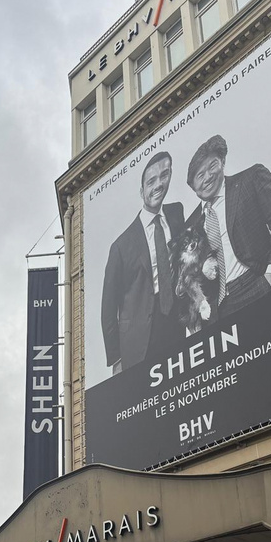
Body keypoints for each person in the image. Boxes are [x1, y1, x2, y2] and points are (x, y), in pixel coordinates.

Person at [183, 134, 271, 318]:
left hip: (259, 282)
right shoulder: (191, 225)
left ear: (223, 161)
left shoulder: (251, 179)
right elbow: (188, 269)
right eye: (200, 175)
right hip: (221, 307)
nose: (208, 177)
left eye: (213, 166)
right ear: (193, 186)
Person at [101, 151, 186, 374]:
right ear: (142, 191)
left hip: (177, 319)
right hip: (141, 336)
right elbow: (108, 309)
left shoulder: (177, 213)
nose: (159, 185)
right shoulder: (121, 246)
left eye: (164, 175)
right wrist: (116, 359)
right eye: (151, 181)